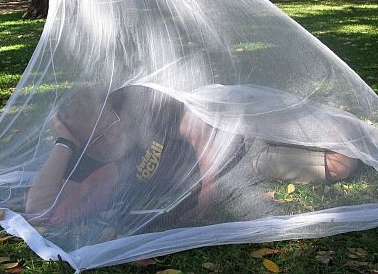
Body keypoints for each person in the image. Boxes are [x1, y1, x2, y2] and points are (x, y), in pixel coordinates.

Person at [25, 84, 360, 228]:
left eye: (108, 127)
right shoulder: (86, 158)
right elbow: (37, 209)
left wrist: (207, 186)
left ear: (111, 110)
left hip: (238, 132)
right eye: (93, 140)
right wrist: (64, 144)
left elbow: (195, 125)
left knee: (340, 130)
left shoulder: (132, 104)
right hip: (246, 163)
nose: (107, 140)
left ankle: (350, 128)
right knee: (342, 164)